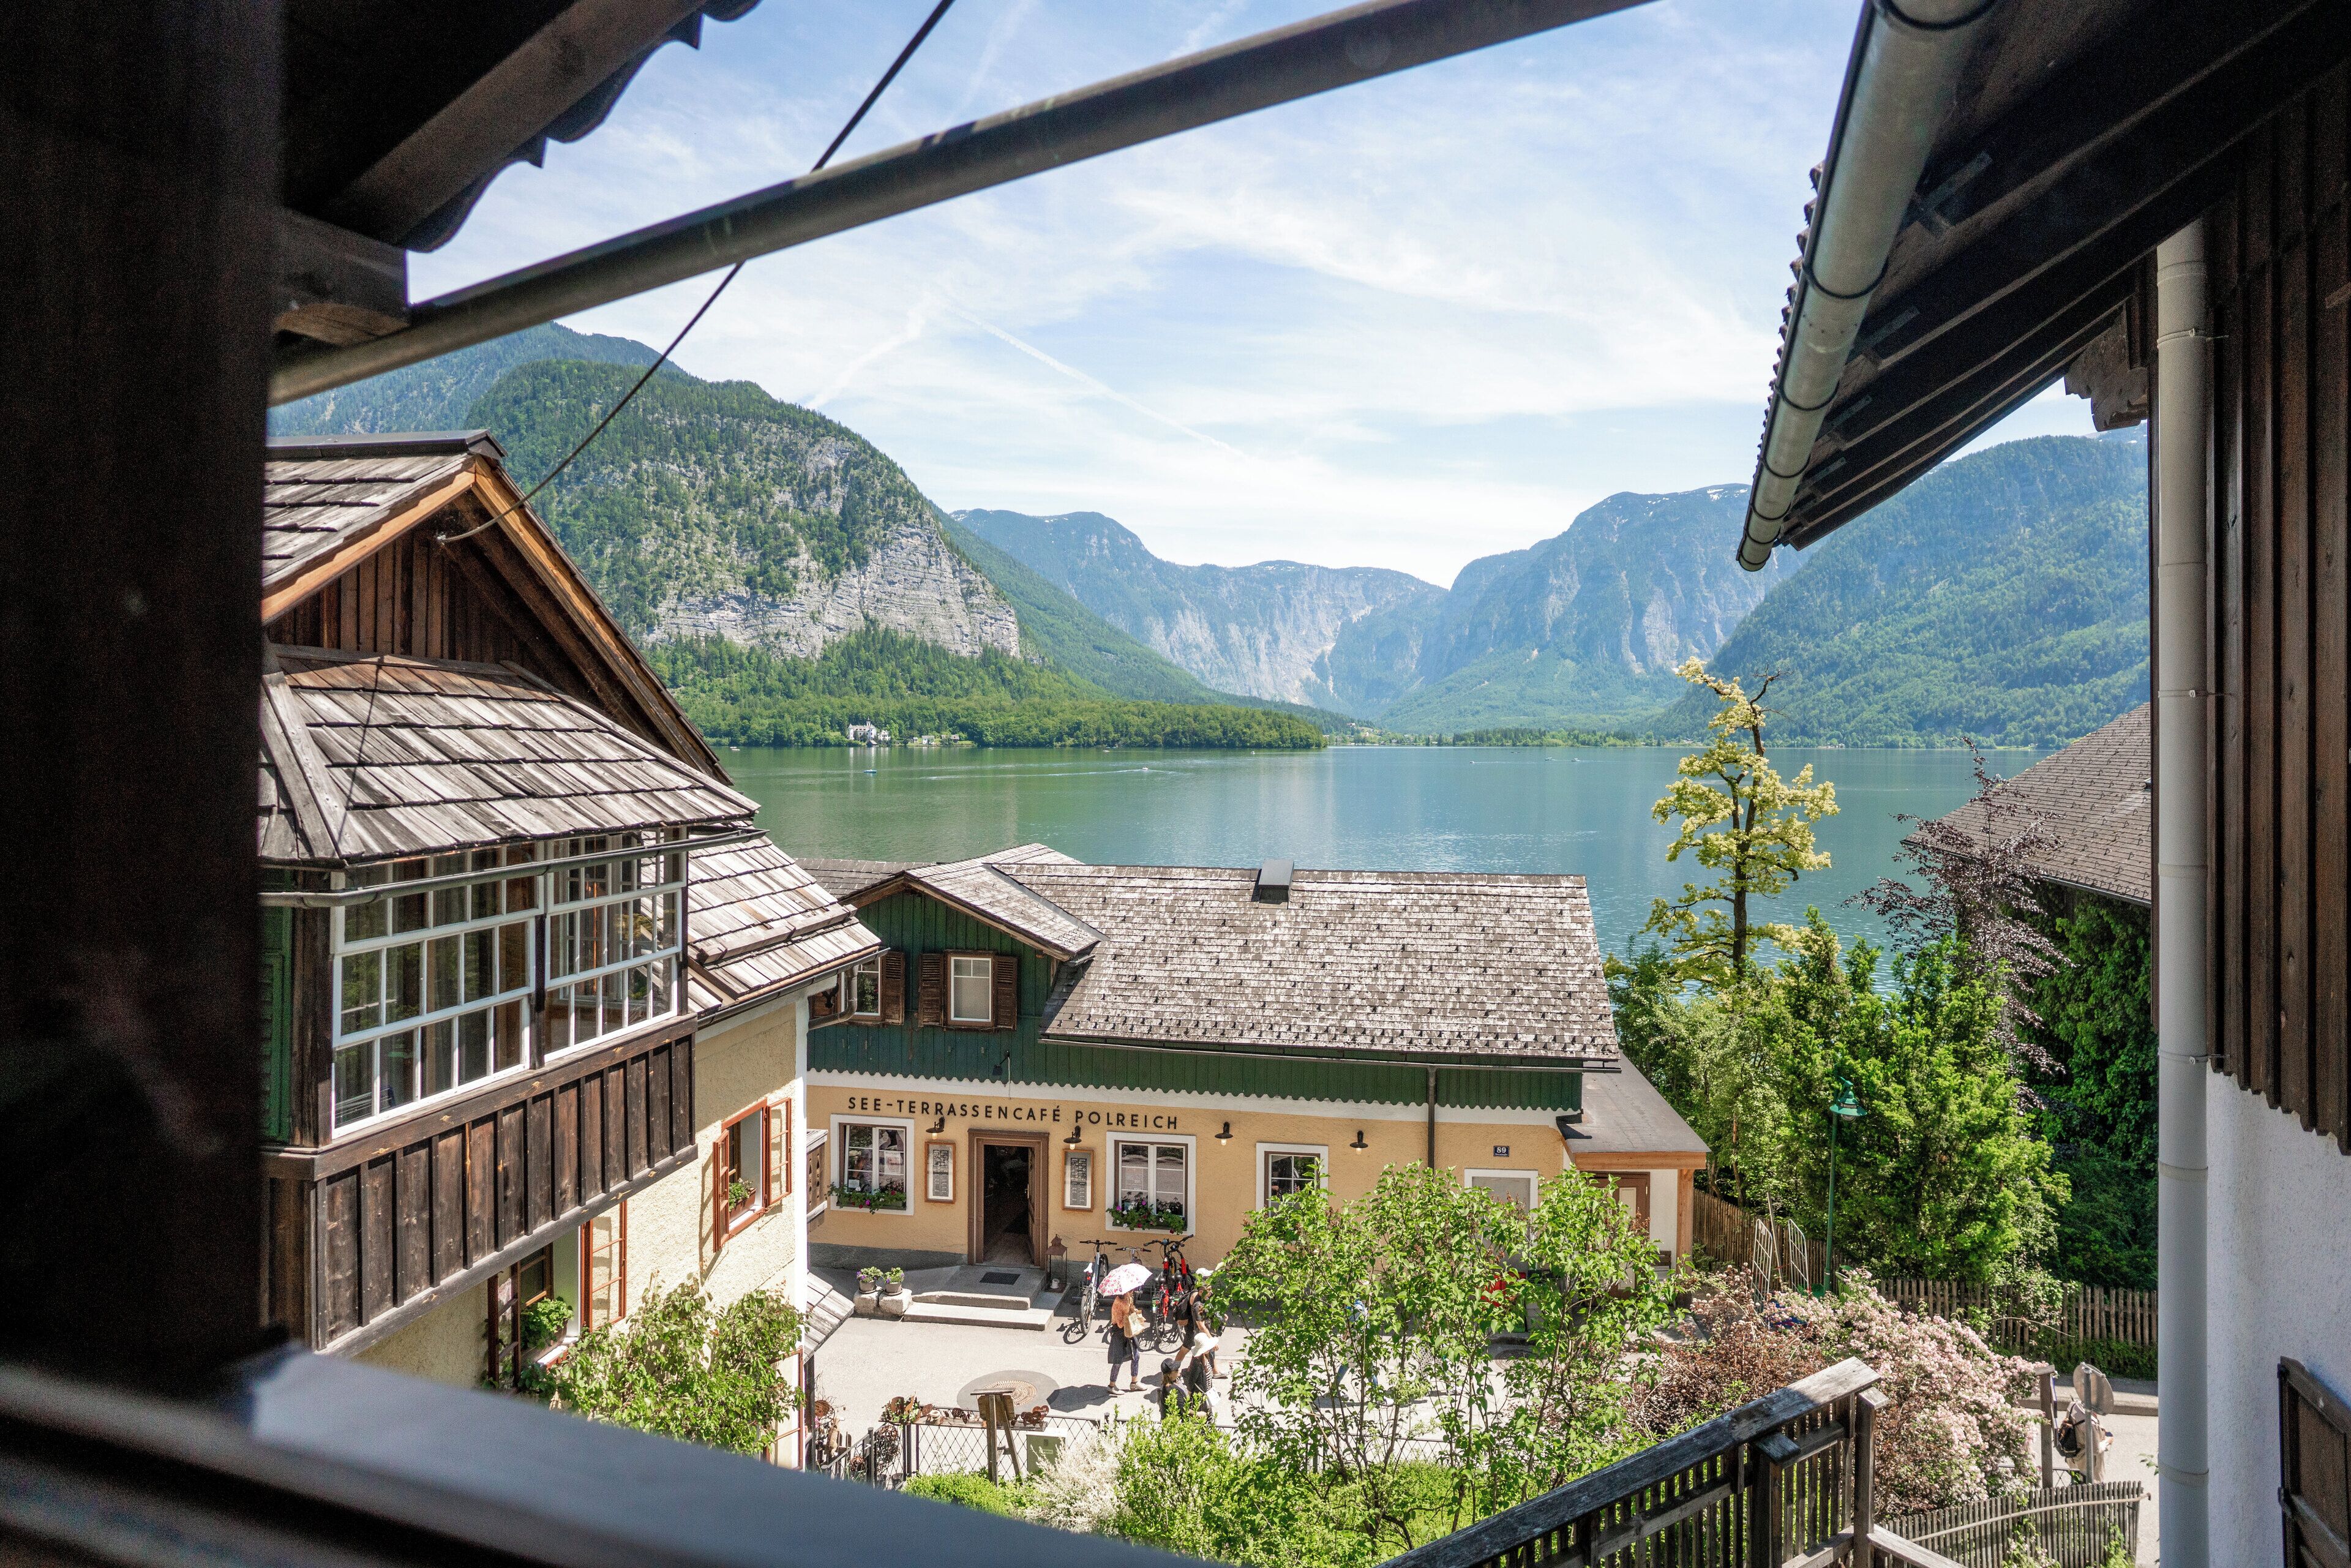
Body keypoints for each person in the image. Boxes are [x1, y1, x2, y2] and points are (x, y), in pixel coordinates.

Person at [1106, 1289, 1142, 1392]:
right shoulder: (1118, 1303)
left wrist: (1134, 1311)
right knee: (1118, 1360)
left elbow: (1131, 1308)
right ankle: (1111, 1386)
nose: (1133, 1291)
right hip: (1119, 1332)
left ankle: (1134, 1382)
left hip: (1128, 1329)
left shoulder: (1129, 1297)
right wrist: (1130, 1317)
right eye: (1131, 1290)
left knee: (1136, 1356)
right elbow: (1120, 1323)